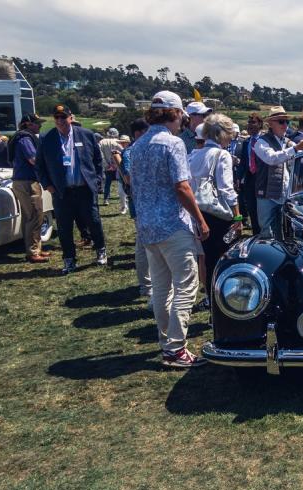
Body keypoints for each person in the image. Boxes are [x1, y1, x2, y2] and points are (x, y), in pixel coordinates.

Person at [130, 91, 211, 368]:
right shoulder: (172, 144)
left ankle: (168, 344)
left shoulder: (137, 146)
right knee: (186, 287)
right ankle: (176, 348)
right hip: (173, 225)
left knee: (162, 290)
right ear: (175, 114)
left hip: (148, 227)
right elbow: (182, 186)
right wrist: (200, 220)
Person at [36, 104, 108, 273]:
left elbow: (98, 160)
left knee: (93, 221)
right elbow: (39, 166)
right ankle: (69, 259)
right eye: (57, 118)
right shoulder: (47, 139)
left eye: (64, 117)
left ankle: (101, 251)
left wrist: (98, 180)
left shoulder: (86, 135)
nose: (60, 121)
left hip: (84, 189)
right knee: (64, 227)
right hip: (62, 192)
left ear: (71, 117)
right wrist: (48, 185)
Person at [190, 114, 243, 299]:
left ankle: (211, 298)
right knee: (226, 257)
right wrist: (237, 215)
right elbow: (226, 188)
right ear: (222, 134)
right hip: (219, 214)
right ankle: (224, 298)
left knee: (208, 258)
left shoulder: (195, 155)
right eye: (229, 133)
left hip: (199, 212)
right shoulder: (222, 154)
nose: (231, 137)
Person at [253, 106, 303, 236]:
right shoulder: (261, 142)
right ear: (270, 124)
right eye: (281, 121)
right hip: (266, 194)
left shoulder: (288, 142)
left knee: (286, 232)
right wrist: (296, 148)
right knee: (267, 231)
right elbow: (271, 158)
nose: (285, 125)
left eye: (286, 122)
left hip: (285, 194)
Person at [117, 119, 152, 306]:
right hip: (140, 204)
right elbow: (129, 178)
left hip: (145, 203)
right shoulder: (131, 152)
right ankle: (146, 286)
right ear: (139, 133)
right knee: (143, 245)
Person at [9, 114, 49, 263]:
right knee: (34, 215)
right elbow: (33, 159)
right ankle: (33, 251)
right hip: (27, 182)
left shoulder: (22, 137)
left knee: (32, 216)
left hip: (24, 181)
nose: (39, 126)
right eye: (36, 123)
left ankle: (35, 249)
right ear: (27, 124)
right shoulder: (25, 139)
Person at [236, 113, 263, 234]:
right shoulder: (246, 142)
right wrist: (238, 178)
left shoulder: (264, 141)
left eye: (253, 122)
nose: (249, 125)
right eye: (249, 122)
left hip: (262, 179)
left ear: (260, 124)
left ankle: (265, 234)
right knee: (251, 208)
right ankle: (256, 233)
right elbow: (243, 163)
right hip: (249, 179)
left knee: (262, 208)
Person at [99, 127, 123, 207]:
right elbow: (123, 152)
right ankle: (124, 199)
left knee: (107, 184)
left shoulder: (101, 142)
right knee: (122, 183)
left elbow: (100, 155)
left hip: (107, 167)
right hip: (118, 166)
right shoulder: (118, 142)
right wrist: (116, 164)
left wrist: (106, 164)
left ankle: (106, 199)